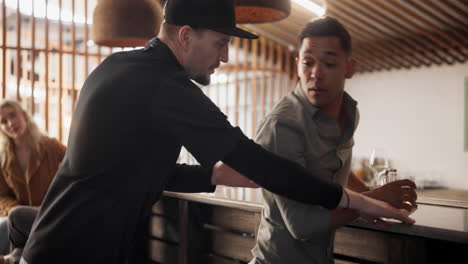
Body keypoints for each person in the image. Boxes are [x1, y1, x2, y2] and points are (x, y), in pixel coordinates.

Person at [20, 1, 414, 264]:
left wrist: (210, 175)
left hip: (63, 244)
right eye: (221, 43)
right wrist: (354, 200)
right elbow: (249, 156)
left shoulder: (120, 68)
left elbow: (125, 169)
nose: (225, 57)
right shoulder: (166, 87)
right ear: (186, 36)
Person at [249, 17, 417, 264]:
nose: (315, 73)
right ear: (297, 66)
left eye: (329, 63)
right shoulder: (282, 125)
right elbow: (302, 225)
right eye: (307, 63)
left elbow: (333, 166)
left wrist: (370, 196)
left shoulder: (349, 113)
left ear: (349, 68)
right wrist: (373, 201)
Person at [0, 100, 65, 260]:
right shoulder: (3, 159)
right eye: (3, 121)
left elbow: (76, 171)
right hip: (24, 218)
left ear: (24, 114)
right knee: (10, 221)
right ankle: (15, 258)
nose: (10, 123)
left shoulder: (51, 147)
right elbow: (2, 197)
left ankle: (13, 258)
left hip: (51, 212)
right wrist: (20, 208)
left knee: (14, 220)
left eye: (13, 115)